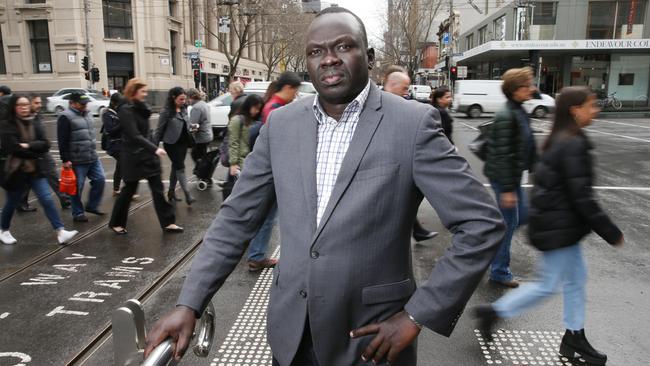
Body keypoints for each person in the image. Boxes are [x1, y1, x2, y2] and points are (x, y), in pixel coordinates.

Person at [145, 7, 505, 366]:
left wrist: (417, 315)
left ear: (369, 56)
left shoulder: (412, 125)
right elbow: (236, 219)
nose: (329, 60)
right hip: (291, 339)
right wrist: (189, 301)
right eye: (316, 51)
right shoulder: (281, 126)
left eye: (343, 47)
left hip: (370, 343)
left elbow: (481, 224)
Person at [475, 87, 624, 365]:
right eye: (591, 105)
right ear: (574, 110)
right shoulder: (572, 143)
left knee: (576, 280)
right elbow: (582, 196)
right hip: (560, 229)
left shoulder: (563, 138)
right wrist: (611, 231)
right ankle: (493, 312)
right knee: (548, 285)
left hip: (560, 226)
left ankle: (574, 336)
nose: (596, 110)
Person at [483, 67, 537, 288]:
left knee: (520, 218)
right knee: (509, 222)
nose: (532, 88)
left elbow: (525, 145)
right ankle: (499, 271)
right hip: (505, 179)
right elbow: (503, 154)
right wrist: (506, 190)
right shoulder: (507, 115)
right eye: (527, 85)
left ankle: (489, 253)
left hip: (513, 176)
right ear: (516, 90)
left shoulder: (518, 110)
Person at [0, 94, 79, 245]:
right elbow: (14, 148)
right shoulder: (7, 125)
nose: (24, 108)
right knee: (11, 202)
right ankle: (3, 230)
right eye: (19, 105)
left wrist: (28, 145)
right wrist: (34, 148)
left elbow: (46, 144)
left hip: (35, 170)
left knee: (47, 199)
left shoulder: (34, 121)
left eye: (25, 104)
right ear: (13, 107)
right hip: (16, 171)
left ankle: (60, 231)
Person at [108, 79, 183, 234]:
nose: (146, 93)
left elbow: (145, 132)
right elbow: (134, 135)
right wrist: (154, 148)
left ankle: (168, 222)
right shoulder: (125, 110)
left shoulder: (140, 108)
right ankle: (116, 223)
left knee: (158, 189)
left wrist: (152, 147)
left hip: (147, 156)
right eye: (143, 91)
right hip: (133, 157)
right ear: (134, 92)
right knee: (128, 190)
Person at [244, 72, 301, 272]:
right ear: (287, 88)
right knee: (267, 216)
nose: (295, 95)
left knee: (267, 215)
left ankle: (256, 254)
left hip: (274, 171)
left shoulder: (273, 106)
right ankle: (256, 255)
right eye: (295, 91)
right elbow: (278, 143)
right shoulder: (275, 109)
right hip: (274, 172)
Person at [383, 67, 438, 243]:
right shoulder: (379, 108)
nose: (407, 93)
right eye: (405, 88)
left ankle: (416, 231)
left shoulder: (406, 108)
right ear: (392, 85)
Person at [57, 92, 107, 222]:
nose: (85, 106)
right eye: (81, 103)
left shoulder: (87, 113)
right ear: (72, 103)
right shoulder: (65, 117)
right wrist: (65, 159)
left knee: (100, 180)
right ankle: (78, 213)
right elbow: (62, 140)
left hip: (92, 156)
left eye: (86, 103)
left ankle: (92, 205)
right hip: (77, 159)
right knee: (76, 188)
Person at [19, 94, 71, 212]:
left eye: (39, 103)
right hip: (33, 153)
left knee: (51, 175)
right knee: (31, 178)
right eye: (36, 103)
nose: (39, 105)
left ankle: (65, 199)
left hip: (42, 152)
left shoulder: (37, 116)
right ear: (29, 103)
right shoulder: (24, 119)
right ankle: (21, 203)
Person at [155, 87, 195, 205]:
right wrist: (154, 147)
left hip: (183, 143)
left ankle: (171, 192)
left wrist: (192, 127)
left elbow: (186, 124)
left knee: (176, 167)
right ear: (173, 98)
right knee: (180, 168)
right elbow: (159, 130)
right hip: (171, 144)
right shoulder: (166, 112)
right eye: (181, 99)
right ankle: (188, 194)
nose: (183, 101)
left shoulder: (184, 109)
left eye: (184, 99)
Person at [224, 94, 264, 197]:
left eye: (259, 108)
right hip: (238, 164)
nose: (257, 111)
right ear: (248, 105)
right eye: (255, 107)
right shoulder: (237, 120)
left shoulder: (250, 120)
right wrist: (233, 163)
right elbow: (233, 142)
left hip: (246, 162)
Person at [102, 93, 126, 196]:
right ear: (113, 103)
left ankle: (116, 189)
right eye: (118, 104)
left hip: (122, 143)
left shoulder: (119, 112)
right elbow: (110, 130)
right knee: (123, 163)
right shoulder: (107, 114)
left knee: (121, 166)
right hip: (113, 144)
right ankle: (125, 189)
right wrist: (122, 124)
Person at [186, 88, 213, 183]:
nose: (187, 101)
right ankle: (204, 175)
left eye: (187, 98)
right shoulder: (204, 104)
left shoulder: (196, 108)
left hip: (201, 137)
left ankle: (202, 175)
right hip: (207, 135)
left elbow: (194, 125)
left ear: (192, 97)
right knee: (202, 156)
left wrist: (190, 134)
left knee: (196, 155)